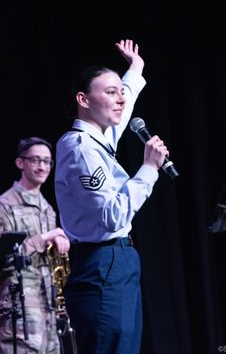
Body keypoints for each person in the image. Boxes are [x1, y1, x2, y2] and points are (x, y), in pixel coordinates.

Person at [54, 39, 170, 354]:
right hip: (101, 262)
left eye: (121, 91)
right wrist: (148, 169)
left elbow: (127, 101)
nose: (120, 99)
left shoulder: (100, 138)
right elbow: (111, 217)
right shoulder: (79, 147)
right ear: (84, 99)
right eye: (110, 92)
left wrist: (136, 68)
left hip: (118, 261)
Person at [0, 136, 70, 353]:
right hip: (20, 309)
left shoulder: (48, 208)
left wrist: (59, 245)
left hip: (49, 307)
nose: (43, 167)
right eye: (36, 160)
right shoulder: (5, 205)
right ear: (20, 163)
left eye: (48, 161)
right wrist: (44, 238)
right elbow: (3, 257)